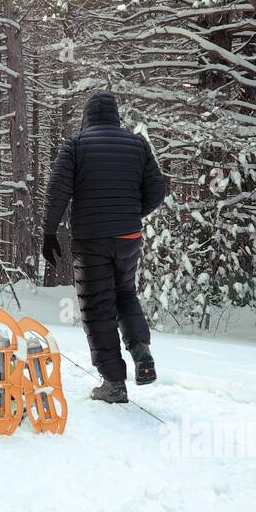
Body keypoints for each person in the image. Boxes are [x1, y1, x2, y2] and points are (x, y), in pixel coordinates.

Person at [41, 90, 166, 403]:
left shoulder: (76, 145)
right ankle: (142, 352)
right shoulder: (137, 144)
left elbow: (57, 191)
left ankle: (114, 383)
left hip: (91, 238)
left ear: (87, 117)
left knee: (98, 307)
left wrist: (49, 232)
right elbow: (157, 190)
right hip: (128, 238)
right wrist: (130, 213)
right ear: (115, 116)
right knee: (126, 294)